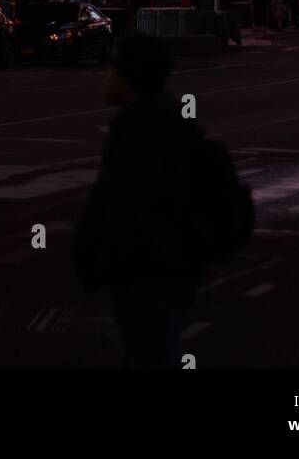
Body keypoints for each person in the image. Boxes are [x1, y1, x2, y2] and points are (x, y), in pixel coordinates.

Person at [72, 34, 202, 368]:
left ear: (129, 77)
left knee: (151, 352)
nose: (105, 76)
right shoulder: (159, 123)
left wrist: (98, 253)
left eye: (112, 70)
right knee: (153, 349)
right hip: (162, 271)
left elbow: (126, 205)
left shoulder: (142, 134)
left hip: (147, 274)